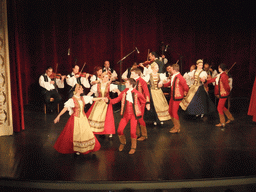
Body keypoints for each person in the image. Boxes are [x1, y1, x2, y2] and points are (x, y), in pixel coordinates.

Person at [53, 84, 102, 155]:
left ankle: (85, 148)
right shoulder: (72, 100)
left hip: (83, 118)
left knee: (85, 133)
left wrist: (102, 98)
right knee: (77, 134)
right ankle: (78, 149)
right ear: (78, 90)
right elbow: (65, 108)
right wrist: (58, 116)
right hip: (76, 118)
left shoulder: (83, 98)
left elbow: (93, 99)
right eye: (81, 89)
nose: (82, 90)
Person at [106, 78, 147, 154]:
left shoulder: (137, 93)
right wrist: (109, 101)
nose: (125, 84)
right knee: (119, 130)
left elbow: (143, 101)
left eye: (127, 83)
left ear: (131, 84)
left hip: (133, 116)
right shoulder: (124, 92)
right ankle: (122, 142)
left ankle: (133, 147)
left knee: (132, 132)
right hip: (125, 115)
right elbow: (117, 100)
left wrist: (138, 109)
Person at [86, 72, 121, 138]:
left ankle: (109, 131)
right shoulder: (97, 85)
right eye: (105, 77)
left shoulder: (109, 85)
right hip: (99, 101)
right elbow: (91, 92)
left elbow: (116, 89)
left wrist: (119, 92)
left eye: (107, 77)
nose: (106, 79)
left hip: (106, 102)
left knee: (107, 117)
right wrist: (86, 97)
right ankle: (94, 130)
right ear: (102, 77)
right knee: (95, 115)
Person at [161, 64, 189, 133]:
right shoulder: (174, 76)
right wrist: (163, 85)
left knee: (174, 112)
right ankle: (175, 125)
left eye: (170, 68)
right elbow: (170, 83)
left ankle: (177, 128)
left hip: (177, 97)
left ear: (174, 70)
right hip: (173, 96)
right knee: (170, 111)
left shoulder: (180, 77)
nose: (169, 70)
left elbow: (186, 87)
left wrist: (185, 92)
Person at [130, 68, 150, 141]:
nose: (131, 75)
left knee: (140, 118)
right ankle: (137, 133)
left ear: (136, 73)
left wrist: (147, 103)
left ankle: (144, 135)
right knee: (135, 118)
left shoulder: (142, 81)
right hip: (133, 102)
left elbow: (146, 92)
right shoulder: (132, 81)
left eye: (132, 73)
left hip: (141, 103)